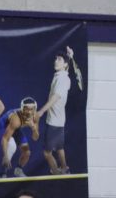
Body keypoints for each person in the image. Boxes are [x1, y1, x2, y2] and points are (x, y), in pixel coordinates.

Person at [35, 47, 83, 175]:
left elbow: (55, 98)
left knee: (47, 153)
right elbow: (69, 69)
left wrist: (41, 111)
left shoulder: (62, 79)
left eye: (59, 59)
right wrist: (70, 57)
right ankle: (65, 169)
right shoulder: (63, 76)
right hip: (59, 120)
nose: (56, 61)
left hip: (54, 122)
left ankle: (56, 173)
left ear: (65, 64)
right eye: (56, 59)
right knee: (60, 148)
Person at [0, 98, 39, 178]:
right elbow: (5, 139)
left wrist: (34, 129)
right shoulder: (16, 119)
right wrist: (6, 156)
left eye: (32, 109)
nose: (29, 112)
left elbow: (35, 138)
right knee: (12, 146)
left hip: (16, 127)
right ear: (22, 109)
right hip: (5, 124)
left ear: (35, 109)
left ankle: (18, 170)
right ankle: (2, 173)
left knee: (27, 152)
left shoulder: (35, 116)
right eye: (26, 109)